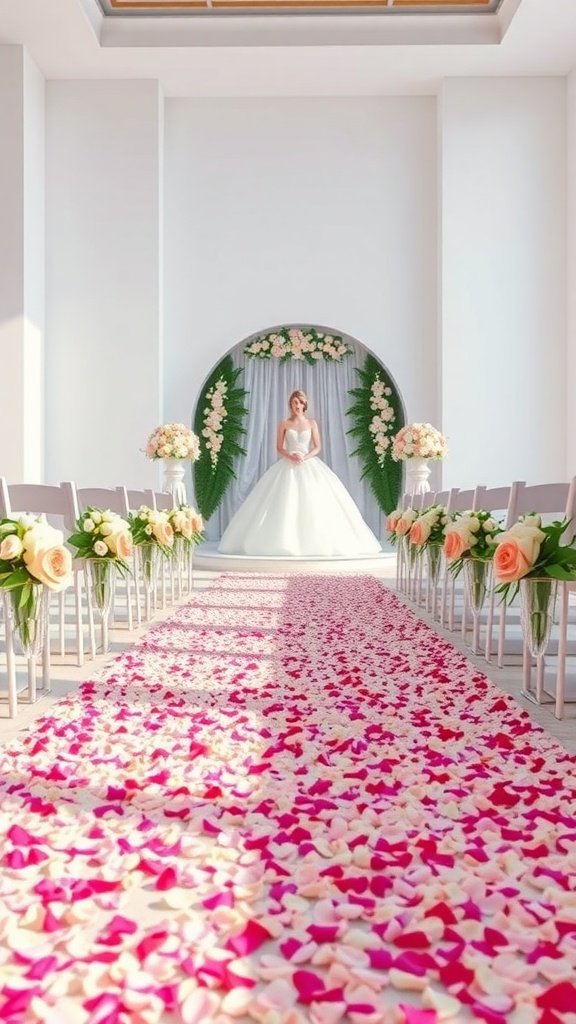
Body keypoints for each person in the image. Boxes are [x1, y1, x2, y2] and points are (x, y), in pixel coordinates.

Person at [218, 390, 382, 557]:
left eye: (299, 403)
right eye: (294, 403)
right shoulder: (284, 423)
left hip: (308, 463)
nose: (297, 406)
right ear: (290, 405)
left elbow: (317, 447)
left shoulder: (311, 423)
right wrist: (290, 456)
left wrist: (305, 457)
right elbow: (279, 447)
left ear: (304, 405)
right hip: (287, 464)